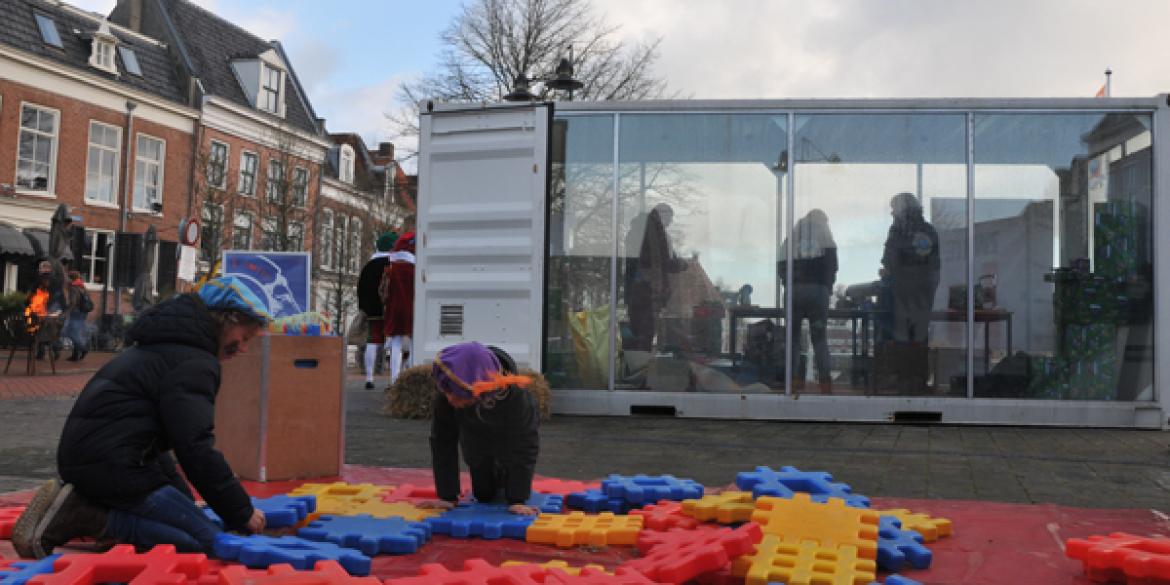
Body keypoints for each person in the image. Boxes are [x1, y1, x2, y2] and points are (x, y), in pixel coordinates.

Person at [11, 276, 271, 559]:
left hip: (96, 460)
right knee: (208, 543)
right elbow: (195, 447)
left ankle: (90, 509)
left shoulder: (164, 347)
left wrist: (184, 500)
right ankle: (87, 516)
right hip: (114, 468)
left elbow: (156, 447)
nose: (243, 348)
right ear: (224, 320)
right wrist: (241, 511)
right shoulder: (194, 362)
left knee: (195, 526)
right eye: (243, 338)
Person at [421, 342, 540, 516]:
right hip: (475, 437)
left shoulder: (518, 400)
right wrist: (447, 496)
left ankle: (508, 480)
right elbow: (442, 442)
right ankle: (493, 477)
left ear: (479, 390)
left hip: (509, 436)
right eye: (446, 392)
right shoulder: (448, 393)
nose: (450, 399)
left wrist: (518, 499)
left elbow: (525, 445)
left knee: (510, 475)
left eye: (456, 395)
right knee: (484, 494)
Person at [779, 209, 838, 393]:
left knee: (794, 339)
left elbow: (781, 262)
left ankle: (794, 382)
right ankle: (826, 384)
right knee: (819, 339)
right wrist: (826, 287)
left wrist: (788, 283)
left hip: (795, 291)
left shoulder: (794, 234)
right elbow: (832, 265)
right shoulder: (825, 236)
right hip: (817, 292)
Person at [622, 204, 687, 353]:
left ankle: (637, 365)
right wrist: (681, 264)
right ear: (663, 215)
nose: (670, 222)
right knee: (646, 332)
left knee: (639, 331)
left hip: (636, 287)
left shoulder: (637, 231)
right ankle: (640, 368)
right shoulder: (655, 233)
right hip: (647, 288)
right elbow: (661, 262)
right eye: (670, 218)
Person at [880, 192, 941, 345]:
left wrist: (891, 271)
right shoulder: (928, 230)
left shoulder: (900, 231)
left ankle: (906, 367)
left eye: (894, 208)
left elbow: (890, 260)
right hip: (920, 293)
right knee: (917, 338)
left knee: (903, 338)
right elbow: (934, 266)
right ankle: (915, 367)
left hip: (906, 293)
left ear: (902, 209)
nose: (892, 212)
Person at [357, 231, 398, 389]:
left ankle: (369, 377)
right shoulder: (394, 265)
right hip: (391, 308)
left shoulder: (368, 266)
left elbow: (361, 288)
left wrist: (363, 308)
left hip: (372, 310)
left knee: (373, 341)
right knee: (396, 342)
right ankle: (394, 379)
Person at [380, 232, 416, 384]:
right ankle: (412, 373)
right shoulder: (415, 269)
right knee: (415, 341)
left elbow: (383, 291)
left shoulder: (390, 269)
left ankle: (394, 378)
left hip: (394, 308)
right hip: (412, 308)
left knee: (396, 342)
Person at [25, 261, 65, 360]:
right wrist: (62, 307)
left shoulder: (39, 280)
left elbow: (32, 294)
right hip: (53, 309)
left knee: (40, 330)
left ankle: (42, 353)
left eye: (41, 268)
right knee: (51, 331)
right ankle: (55, 351)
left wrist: (27, 303)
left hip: (45, 309)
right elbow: (61, 295)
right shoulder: (57, 281)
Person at [61, 270, 92, 362]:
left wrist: (66, 311)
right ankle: (75, 355)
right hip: (83, 313)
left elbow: (73, 302)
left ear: (71, 278)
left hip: (76, 313)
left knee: (70, 332)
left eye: (67, 278)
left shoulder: (73, 287)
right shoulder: (82, 286)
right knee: (75, 332)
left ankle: (83, 349)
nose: (66, 280)